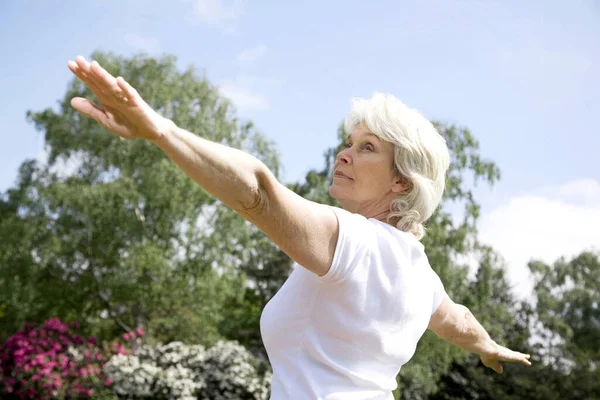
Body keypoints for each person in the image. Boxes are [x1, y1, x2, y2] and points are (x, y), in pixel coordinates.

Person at [67, 55, 531, 400]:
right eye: (348, 142)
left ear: (401, 181)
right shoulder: (419, 273)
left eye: (367, 147)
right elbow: (458, 321)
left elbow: (258, 194)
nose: (344, 154)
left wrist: (159, 129)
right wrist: (489, 347)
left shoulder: (355, 242)